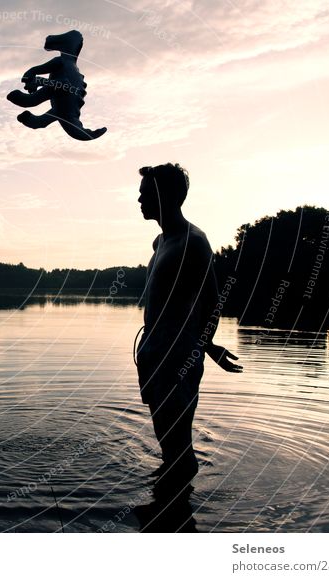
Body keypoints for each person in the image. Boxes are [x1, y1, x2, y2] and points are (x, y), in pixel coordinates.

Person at [135, 163, 242, 496]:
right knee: (168, 444)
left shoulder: (193, 242)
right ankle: (170, 509)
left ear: (164, 196)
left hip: (177, 360)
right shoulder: (159, 242)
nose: (138, 198)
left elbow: (213, 302)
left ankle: (176, 519)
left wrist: (205, 348)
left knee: (178, 446)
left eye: (145, 192)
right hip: (153, 356)